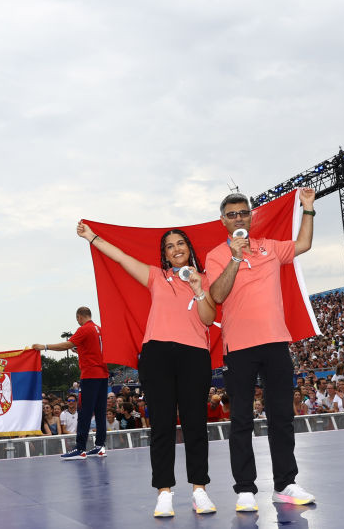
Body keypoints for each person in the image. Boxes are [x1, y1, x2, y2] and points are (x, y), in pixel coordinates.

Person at [70, 221, 219, 516]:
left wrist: (199, 290)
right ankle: (164, 492)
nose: (176, 249)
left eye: (180, 243)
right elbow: (122, 258)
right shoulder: (156, 277)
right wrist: (92, 237)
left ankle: (199, 490)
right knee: (162, 425)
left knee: (195, 425)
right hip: (157, 354)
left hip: (194, 355)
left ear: (189, 248)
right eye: (170, 246)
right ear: (164, 254)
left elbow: (207, 318)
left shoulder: (205, 279)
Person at [207, 190, 318, 511]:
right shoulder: (217, 255)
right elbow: (217, 295)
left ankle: (286, 484)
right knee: (241, 419)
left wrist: (308, 209)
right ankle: (245, 489)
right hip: (239, 347)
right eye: (232, 214)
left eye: (243, 213)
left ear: (250, 216)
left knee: (282, 416)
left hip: (275, 342)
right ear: (223, 220)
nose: (239, 218)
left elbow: (303, 245)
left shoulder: (270, 247)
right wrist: (235, 257)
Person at [33, 306, 109, 461]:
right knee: (100, 412)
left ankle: (80, 449)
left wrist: (45, 347)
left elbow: (66, 345)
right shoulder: (99, 329)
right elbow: (96, 350)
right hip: (103, 374)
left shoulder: (84, 329)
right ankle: (100, 446)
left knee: (85, 411)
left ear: (79, 317)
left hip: (90, 374)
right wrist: (80, 351)